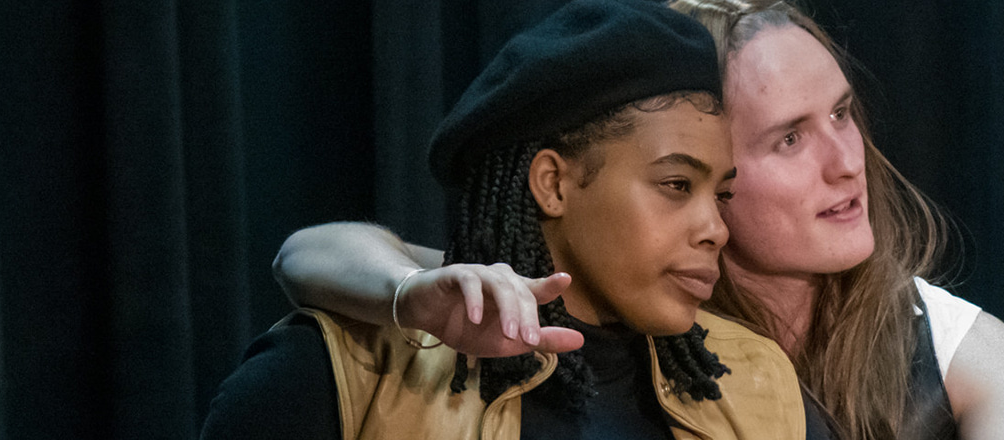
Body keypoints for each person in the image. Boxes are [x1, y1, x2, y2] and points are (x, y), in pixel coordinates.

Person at [271, 1, 1004, 439]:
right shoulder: (542, 300)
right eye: (789, 138)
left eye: (842, 114)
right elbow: (338, 256)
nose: (846, 161)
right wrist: (404, 295)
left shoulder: (935, 347)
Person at [200, 0, 827, 439]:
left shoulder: (759, 386)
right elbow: (307, 253)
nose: (715, 228)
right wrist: (404, 295)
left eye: (720, 194)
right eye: (675, 185)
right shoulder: (346, 376)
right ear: (553, 184)